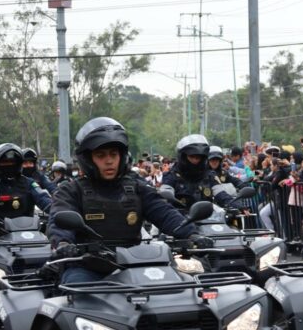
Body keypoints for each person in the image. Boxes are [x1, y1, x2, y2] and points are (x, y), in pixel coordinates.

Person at [49, 118, 208, 284]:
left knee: (179, 289)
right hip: (88, 267)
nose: (109, 160)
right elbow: (60, 219)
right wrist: (63, 243)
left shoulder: (137, 187)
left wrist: (192, 234)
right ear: (88, 159)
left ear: (122, 156)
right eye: (100, 155)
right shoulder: (71, 190)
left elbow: (164, 212)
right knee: (77, 290)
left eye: (113, 154)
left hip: (135, 264)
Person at [162, 134, 234, 210]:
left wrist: (236, 205)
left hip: (208, 218)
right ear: (183, 156)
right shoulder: (171, 176)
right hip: (180, 219)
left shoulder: (209, 175)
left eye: (198, 157)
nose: (195, 160)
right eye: (192, 156)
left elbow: (221, 194)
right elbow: (164, 198)